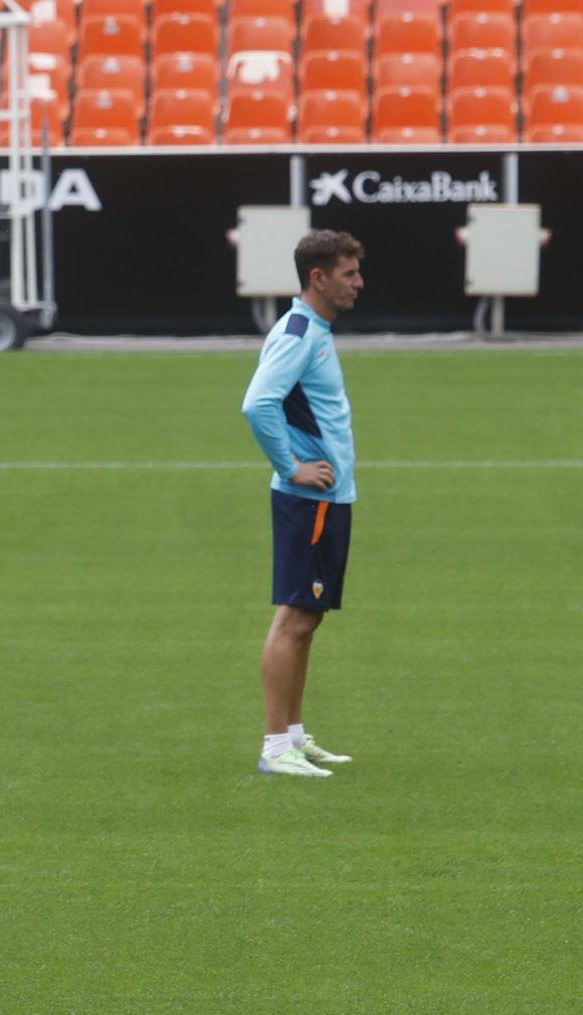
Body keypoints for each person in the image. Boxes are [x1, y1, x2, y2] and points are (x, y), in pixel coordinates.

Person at [240, 229, 365, 778]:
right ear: (319, 278)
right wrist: (291, 466)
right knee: (294, 617)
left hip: (329, 498)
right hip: (307, 497)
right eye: (349, 273)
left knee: (307, 618)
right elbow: (257, 403)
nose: (359, 283)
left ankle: (292, 735)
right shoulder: (298, 332)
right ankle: (274, 747)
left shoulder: (312, 329)